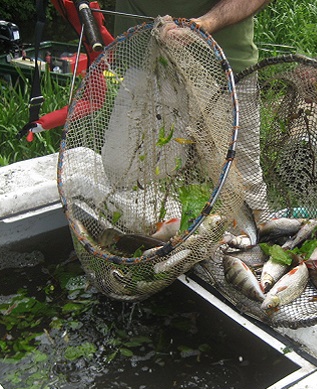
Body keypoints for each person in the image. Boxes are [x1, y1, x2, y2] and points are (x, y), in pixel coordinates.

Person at [113, 0, 272, 223]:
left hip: (225, 68)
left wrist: (205, 24)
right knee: (130, 179)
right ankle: (160, 245)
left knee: (242, 182)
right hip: (144, 65)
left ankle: (247, 246)